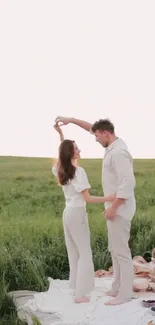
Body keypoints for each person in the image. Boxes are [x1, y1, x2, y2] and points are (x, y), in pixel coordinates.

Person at [54, 116, 136, 306]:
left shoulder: (119, 153)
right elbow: (89, 129)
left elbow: (128, 183)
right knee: (114, 249)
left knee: (121, 251)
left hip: (119, 208)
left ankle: (124, 293)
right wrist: (71, 121)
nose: (94, 138)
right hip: (108, 207)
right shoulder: (110, 146)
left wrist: (114, 205)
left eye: (97, 135)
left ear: (106, 133)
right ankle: (116, 286)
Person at [52, 123, 116, 303]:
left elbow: (61, 153)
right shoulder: (78, 172)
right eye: (76, 148)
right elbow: (87, 199)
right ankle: (80, 294)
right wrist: (109, 198)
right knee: (84, 253)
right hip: (77, 214)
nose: (79, 149)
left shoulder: (61, 169)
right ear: (72, 153)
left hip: (67, 213)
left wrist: (61, 134)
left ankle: (75, 287)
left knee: (73, 252)